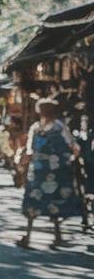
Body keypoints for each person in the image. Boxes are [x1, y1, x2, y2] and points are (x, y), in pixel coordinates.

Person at [18, 98, 82, 249]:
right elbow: (74, 147)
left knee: (34, 203)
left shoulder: (36, 127)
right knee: (55, 205)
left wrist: (25, 166)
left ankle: (28, 236)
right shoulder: (60, 127)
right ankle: (57, 236)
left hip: (39, 172)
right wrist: (70, 159)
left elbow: (29, 150)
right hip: (58, 172)